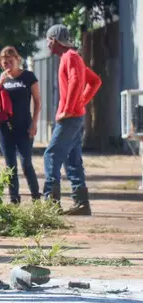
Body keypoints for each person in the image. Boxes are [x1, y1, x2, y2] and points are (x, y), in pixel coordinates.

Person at [44, 24, 102, 216]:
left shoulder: (70, 57)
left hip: (70, 118)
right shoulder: (72, 57)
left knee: (51, 155)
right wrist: (81, 102)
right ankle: (81, 203)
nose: (47, 44)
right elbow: (94, 81)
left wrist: (69, 109)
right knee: (72, 159)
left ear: (54, 40)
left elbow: (77, 81)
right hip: (75, 116)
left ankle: (51, 203)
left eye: (48, 40)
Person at [0, 46, 42, 203]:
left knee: (26, 162)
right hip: (5, 127)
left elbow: (37, 101)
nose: (7, 65)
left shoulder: (28, 77)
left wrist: (34, 123)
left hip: (24, 126)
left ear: (17, 60)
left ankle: (36, 197)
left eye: (10, 61)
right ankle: (14, 199)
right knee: (10, 165)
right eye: (4, 63)